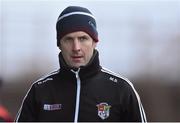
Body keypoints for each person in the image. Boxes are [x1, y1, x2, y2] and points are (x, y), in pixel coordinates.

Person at [15, 6, 147, 122]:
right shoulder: (39, 90)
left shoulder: (122, 89)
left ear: (94, 42)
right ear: (59, 44)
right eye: (68, 39)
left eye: (83, 38)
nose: (76, 47)